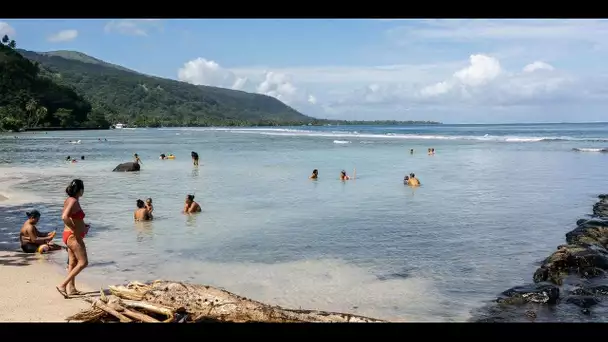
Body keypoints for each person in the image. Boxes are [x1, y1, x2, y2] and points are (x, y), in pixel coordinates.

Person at [56, 179, 90, 298]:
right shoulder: (74, 201)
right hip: (73, 236)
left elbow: (72, 217)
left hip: (68, 235)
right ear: (80, 190)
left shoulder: (69, 200)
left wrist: (83, 227)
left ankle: (72, 288)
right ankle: (62, 285)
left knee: (73, 263)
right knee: (83, 262)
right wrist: (76, 229)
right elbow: (64, 217)